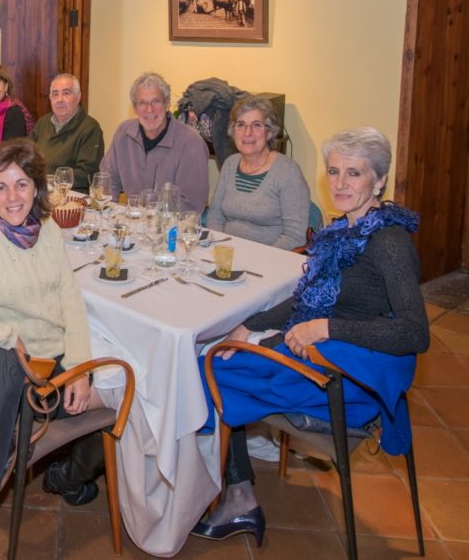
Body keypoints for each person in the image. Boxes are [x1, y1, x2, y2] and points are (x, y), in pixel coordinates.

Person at [194, 127, 429, 546]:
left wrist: (326, 328)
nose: (340, 183)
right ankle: (234, 488)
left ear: (378, 181)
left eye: (354, 174)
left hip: (345, 381)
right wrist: (252, 324)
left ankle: (238, 495)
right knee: (218, 356)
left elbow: (414, 332)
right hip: (324, 358)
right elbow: (307, 298)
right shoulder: (345, 232)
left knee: (204, 370)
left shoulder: (387, 241)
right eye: (334, 171)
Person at [0, 138, 104, 505]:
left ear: (36, 188)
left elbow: (70, 300)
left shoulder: (48, 230)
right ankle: (68, 476)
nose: (12, 197)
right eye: (1, 186)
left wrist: (78, 368)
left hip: (55, 362)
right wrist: (11, 336)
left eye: (21, 184)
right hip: (27, 376)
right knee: (130, 396)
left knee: (110, 378)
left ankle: (66, 472)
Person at [206, 97, 310, 249]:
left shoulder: (287, 172)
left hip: (268, 261)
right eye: (241, 125)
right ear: (233, 131)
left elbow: (295, 236)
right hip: (225, 255)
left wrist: (261, 259)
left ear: (269, 133)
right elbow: (215, 216)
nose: (248, 133)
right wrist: (220, 250)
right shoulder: (230, 164)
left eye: (257, 125)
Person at [100, 71, 209, 212]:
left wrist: (152, 220)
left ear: (167, 104)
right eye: (142, 103)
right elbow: (108, 181)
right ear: (134, 108)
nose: (149, 109)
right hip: (134, 223)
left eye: (156, 101)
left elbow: (191, 206)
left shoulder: (191, 142)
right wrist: (107, 212)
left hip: (172, 228)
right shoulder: (123, 133)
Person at [32, 73, 104, 192]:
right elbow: (26, 156)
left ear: (78, 96)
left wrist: (48, 181)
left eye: (66, 93)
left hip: (71, 199)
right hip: (39, 192)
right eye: (55, 94)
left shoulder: (90, 128)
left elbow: (86, 174)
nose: (59, 100)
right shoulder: (43, 122)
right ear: (50, 98)